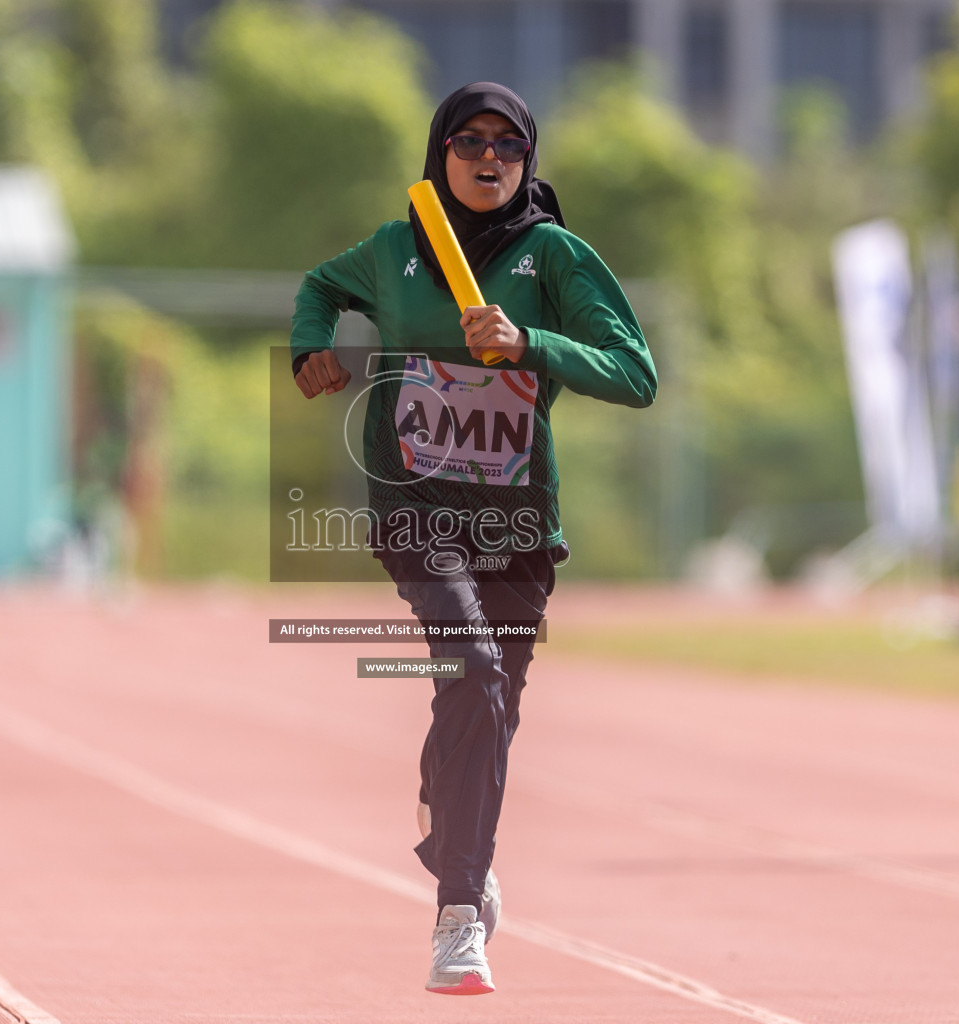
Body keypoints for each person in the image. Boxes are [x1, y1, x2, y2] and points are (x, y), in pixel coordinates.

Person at [290, 82, 656, 993]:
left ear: (528, 159)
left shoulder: (556, 257)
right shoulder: (394, 249)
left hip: (518, 520)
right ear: (439, 153)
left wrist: (530, 343)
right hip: (414, 503)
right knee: (474, 668)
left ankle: (452, 821)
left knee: (491, 708)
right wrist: (312, 347)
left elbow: (637, 373)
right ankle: (460, 915)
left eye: (507, 144)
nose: (488, 158)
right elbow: (319, 287)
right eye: (468, 140)